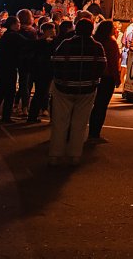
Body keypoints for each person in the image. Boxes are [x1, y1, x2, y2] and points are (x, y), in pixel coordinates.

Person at [48, 17, 107, 166]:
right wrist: (94, 80)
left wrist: (59, 79)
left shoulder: (65, 44)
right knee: (80, 123)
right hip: (87, 88)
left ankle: (55, 155)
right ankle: (75, 155)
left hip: (64, 87)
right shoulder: (97, 46)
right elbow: (102, 66)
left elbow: (55, 62)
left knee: (60, 122)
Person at [0, 16, 27, 122]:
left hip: (1, 66)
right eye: (18, 22)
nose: (19, 24)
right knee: (9, 91)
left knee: (1, 89)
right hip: (7, 67)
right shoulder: (13, 35)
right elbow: (28, 43)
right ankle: (5, 116)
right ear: (13, 24)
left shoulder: (8, 35)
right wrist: (43, 41)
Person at [89, 19, 121, 140]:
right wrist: (117, 78)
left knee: (91, 104)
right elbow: (113, 62)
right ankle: (95, 133)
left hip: (94, 75)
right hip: (107, 77)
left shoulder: (94, 40)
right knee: (101, 106)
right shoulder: (111, 43)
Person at [25, 23, 56, 123]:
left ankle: (32, 115)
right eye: (53, 29)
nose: (55, 31)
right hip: (43, 71)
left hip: (36, 70)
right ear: (48, 31)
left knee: (40, 93)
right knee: (40, 93)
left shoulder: (37, 41)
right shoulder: (44, 43)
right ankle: (32, 116)